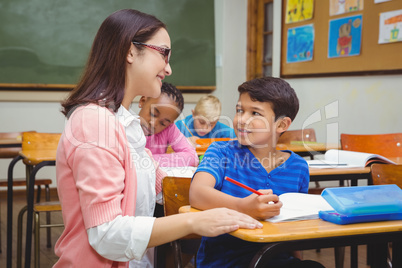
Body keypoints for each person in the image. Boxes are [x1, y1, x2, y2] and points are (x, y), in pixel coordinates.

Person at [54, 9, 262, 268]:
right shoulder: (94, 122)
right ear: (130, 52)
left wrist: (239, 203)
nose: (169, 68)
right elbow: (107, 234)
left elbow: (162, 186)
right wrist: (193, 222)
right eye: (163, 53)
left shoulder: (124, 122)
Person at [189, 77, 325, 268]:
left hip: (276, 258)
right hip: (225, 261)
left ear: (281, 125)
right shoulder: (220, 152)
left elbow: (295, 224)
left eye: (255, 113)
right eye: (239, 110)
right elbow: (197, 193)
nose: (242, 119)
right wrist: (243, 207)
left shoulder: (298, 167)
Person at [138, 82, 198, 167]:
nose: (153, 123)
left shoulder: (168, 129)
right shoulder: (124, 127)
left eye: (163, 123)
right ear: (142, 101)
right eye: (153, 114)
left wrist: (147, 160)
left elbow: (192, 157)